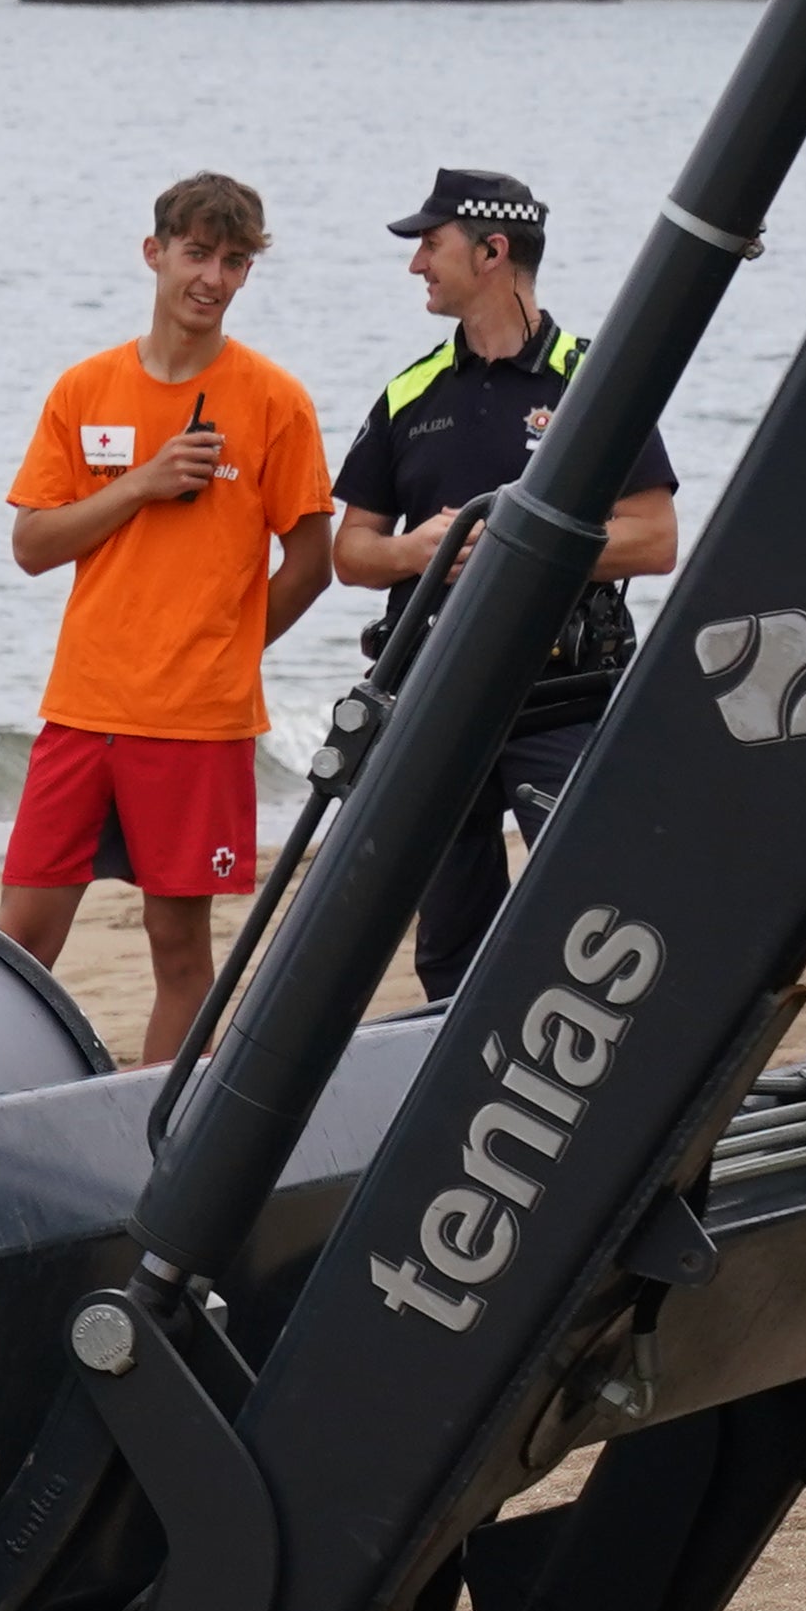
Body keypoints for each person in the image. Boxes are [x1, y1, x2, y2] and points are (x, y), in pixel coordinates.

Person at [0, 171, 337, 1064]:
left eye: (233, 262)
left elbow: (314, 562)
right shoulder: (85, 388)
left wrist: (229, 648)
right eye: (196, 254)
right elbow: (33, 545)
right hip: (82, 709)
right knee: (17, 946)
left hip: (198, 725)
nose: (212, 279)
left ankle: (151, 1136)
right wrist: (144, 484)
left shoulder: (276, 401)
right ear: (155, 254)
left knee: (179, 951)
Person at [332, 168, 681, 1000]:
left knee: (588, 914)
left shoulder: (594, 380)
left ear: (493, 251)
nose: (417, 263)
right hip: (431, 700)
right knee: (447, 942)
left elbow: (656, 541)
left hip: (559, 699)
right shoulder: (411, 392)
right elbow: (351, 553)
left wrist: (519, 548)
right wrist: (420, 550)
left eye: (431, 243)